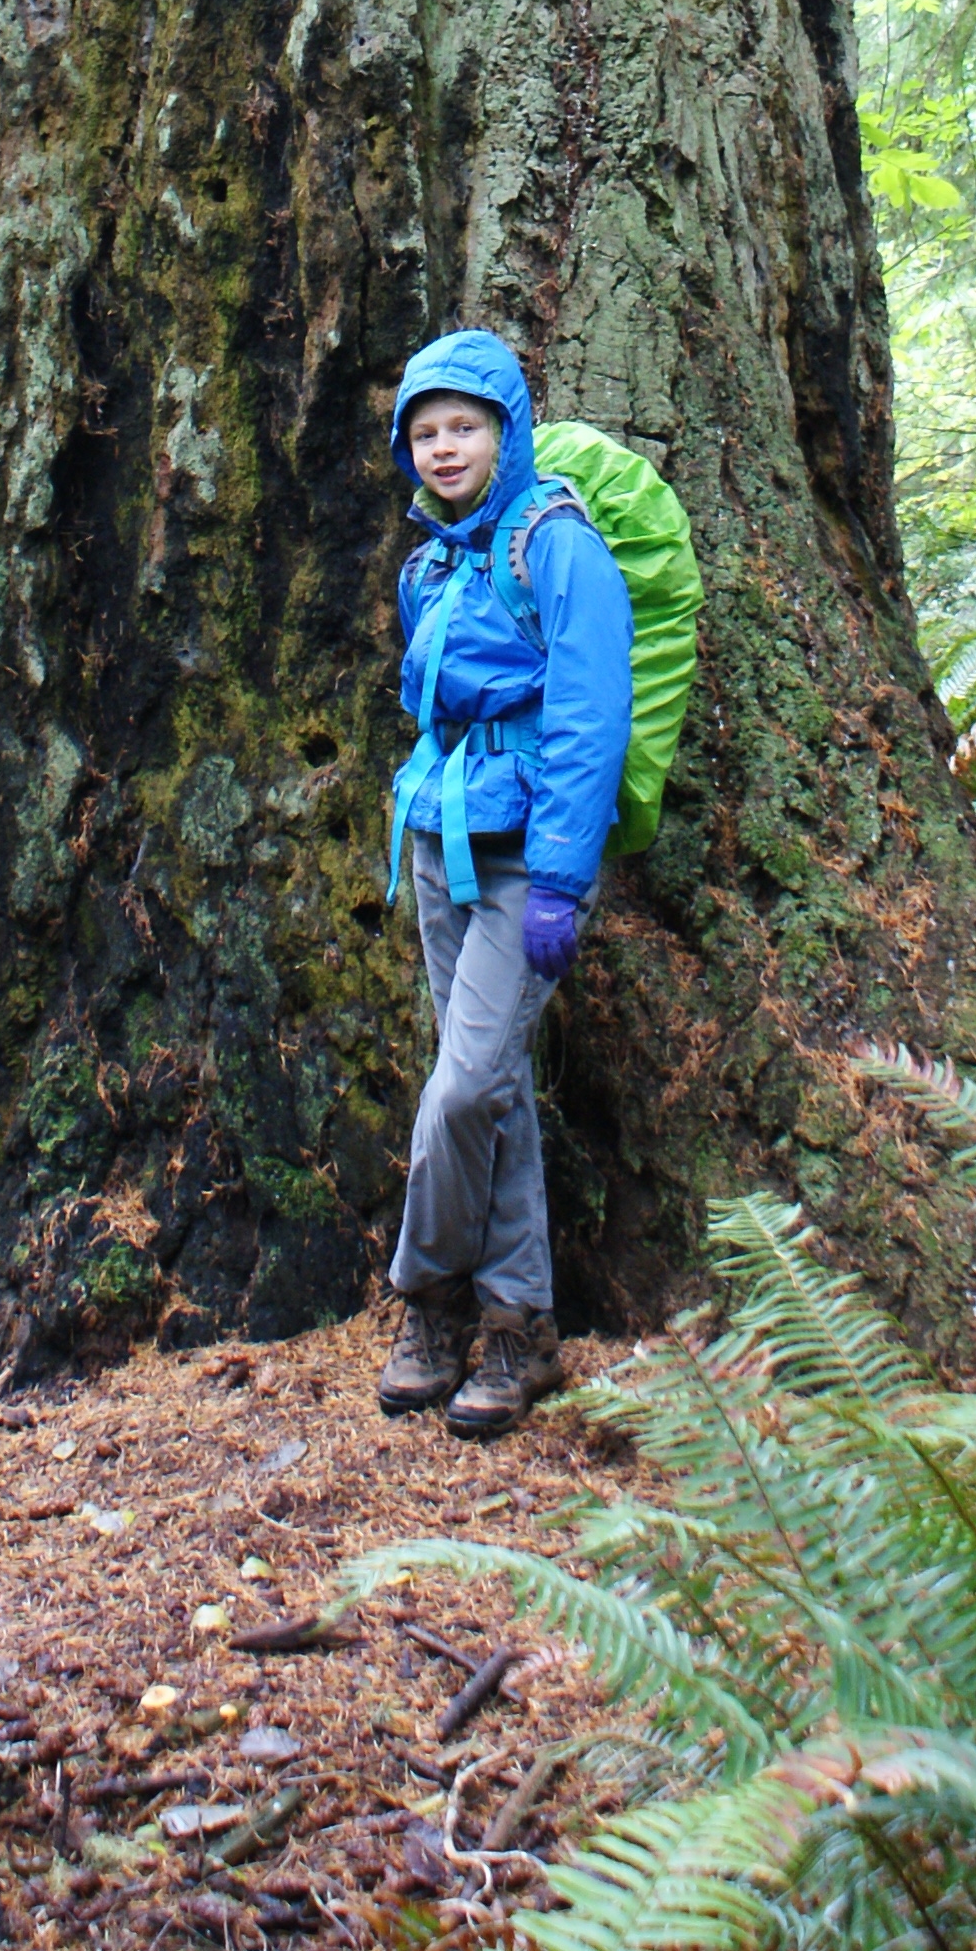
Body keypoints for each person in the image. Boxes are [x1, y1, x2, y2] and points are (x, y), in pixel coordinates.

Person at [375, 329, 634, 1436]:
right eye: (425, 431)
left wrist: (566, 882)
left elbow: (591, 716)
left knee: (464, 1084)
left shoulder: (556, 543)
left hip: (527, 851)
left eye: (464, 427)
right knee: (496, 1086)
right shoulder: (428, 561)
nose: (444, 449)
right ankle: (520, 1324)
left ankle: (426, 1297)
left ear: (507, 431)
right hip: (441, 838)